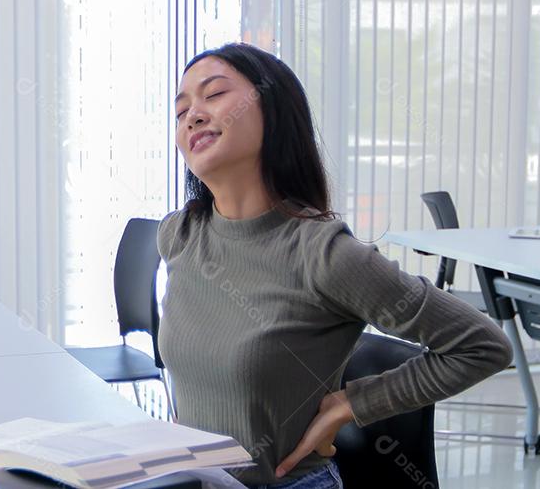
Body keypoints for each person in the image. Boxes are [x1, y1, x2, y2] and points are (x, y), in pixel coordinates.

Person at [156, 42, 513, 488]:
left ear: (274, 111)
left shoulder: (323, 254)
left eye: (213, 95)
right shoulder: (180, 234)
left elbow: (482, 346)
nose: (193, 114)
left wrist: (351, 405)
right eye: (181, 108)